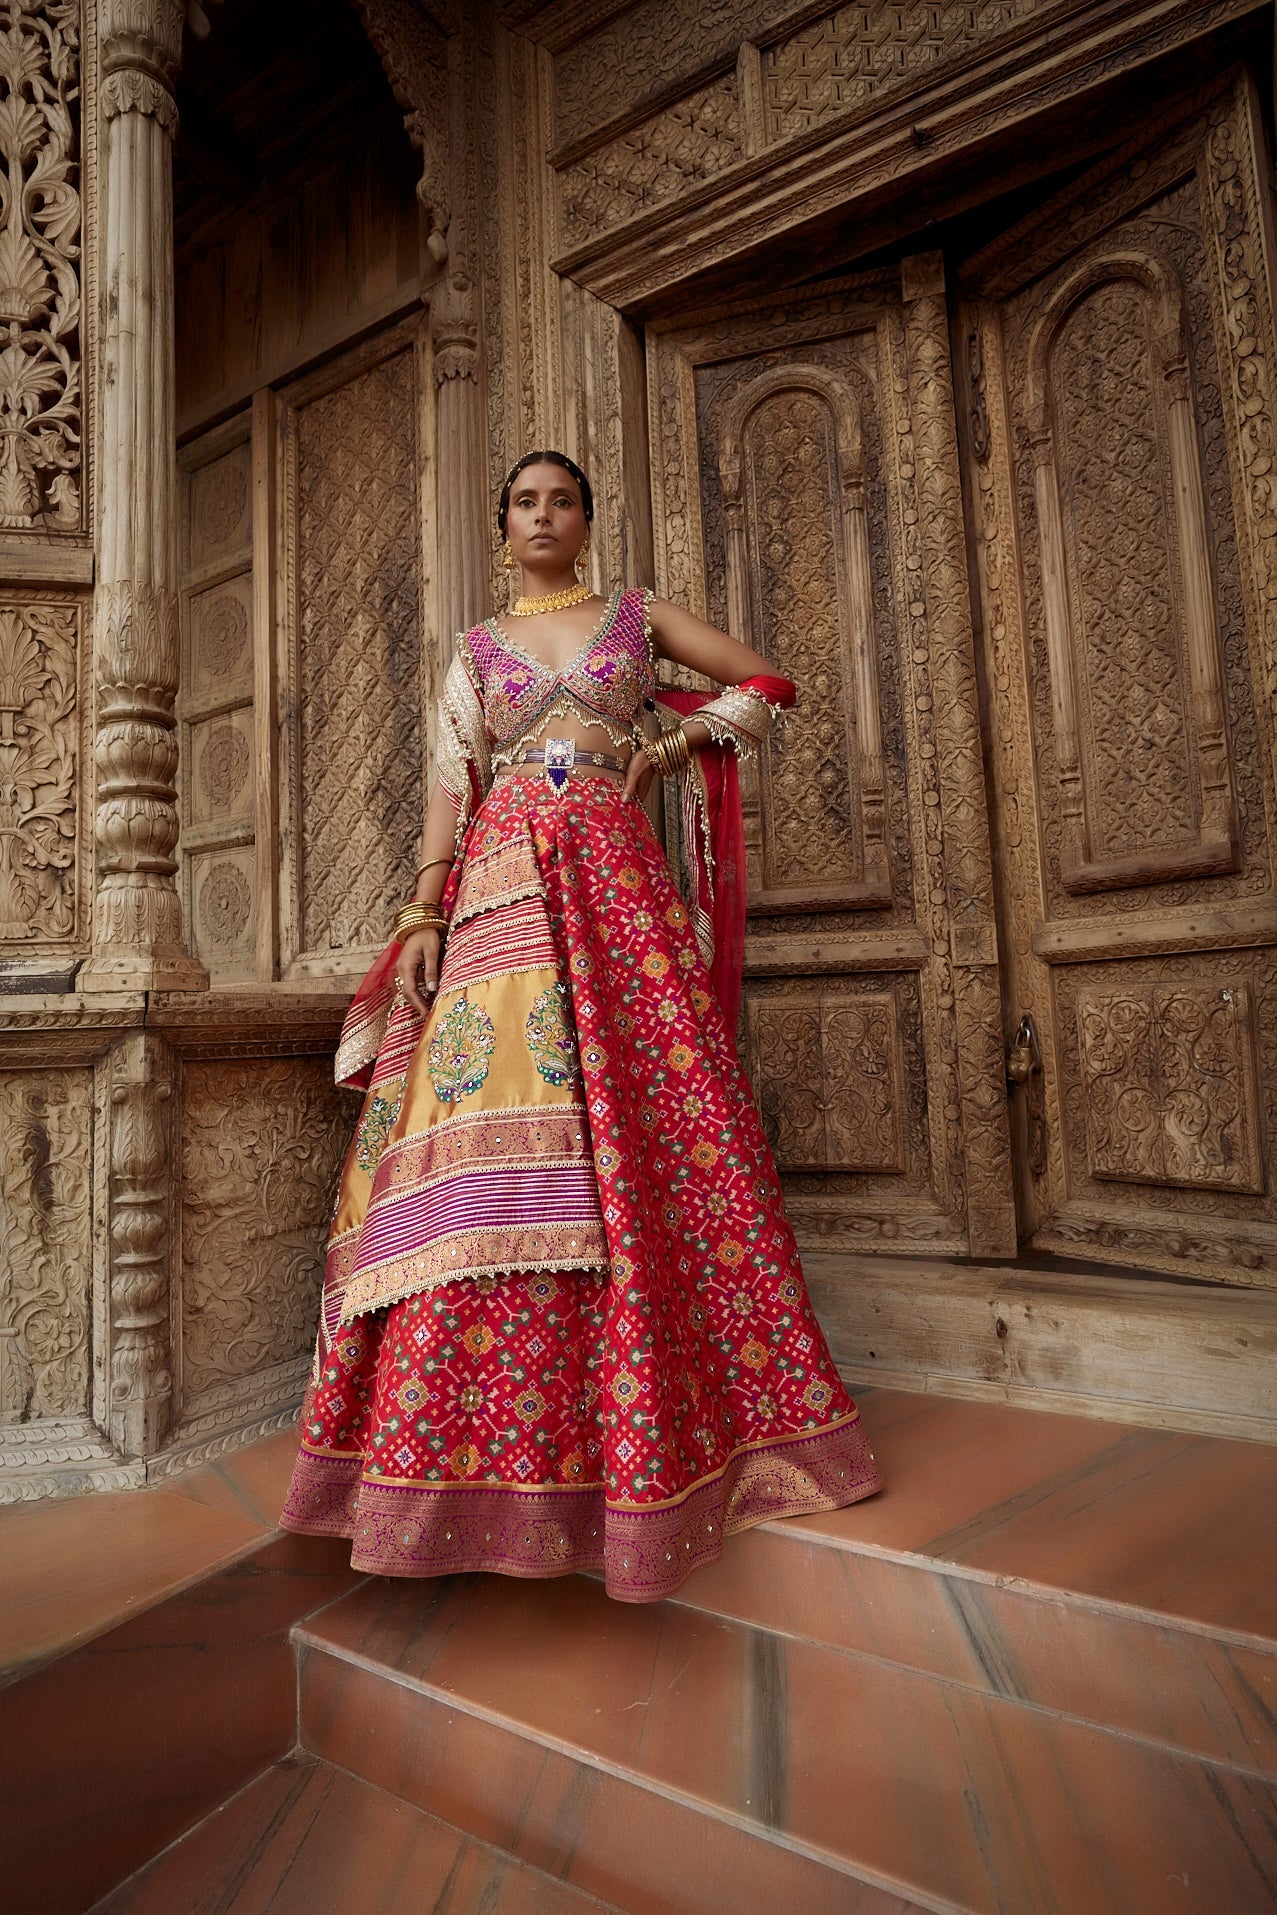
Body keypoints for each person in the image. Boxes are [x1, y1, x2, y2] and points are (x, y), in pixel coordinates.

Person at [280, 450, 882, 1602]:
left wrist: (667, 745)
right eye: (522, 502)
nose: (541, 516)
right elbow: (450, 786)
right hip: (502, 888)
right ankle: (469, 1453)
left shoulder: (635, 614)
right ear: (502, 525)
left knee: (652, 1127)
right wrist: (418, 913)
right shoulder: (471, 655)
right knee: (497, 1139)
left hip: (613, 876)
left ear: (585, 521)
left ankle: (681, 1435)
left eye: (560, 500)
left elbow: (764, 682)